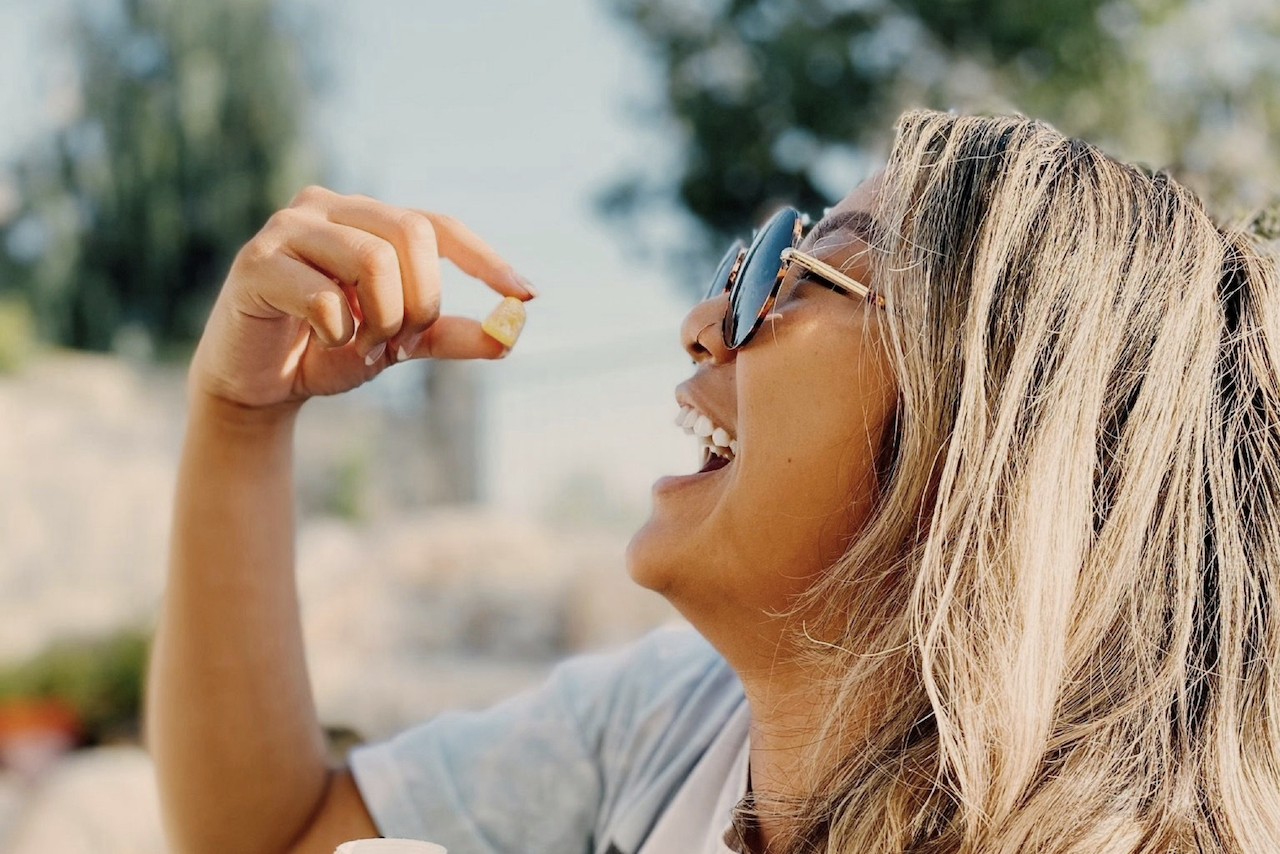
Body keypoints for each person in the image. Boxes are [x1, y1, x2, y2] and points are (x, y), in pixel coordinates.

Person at [145, 110, 1280, 854]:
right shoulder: (675, 720)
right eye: (744, 266)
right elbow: (274, 833)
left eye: (797, 268)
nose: (701, 325)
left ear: (992, 430)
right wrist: (242, 415)